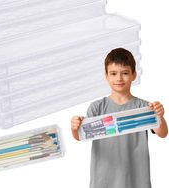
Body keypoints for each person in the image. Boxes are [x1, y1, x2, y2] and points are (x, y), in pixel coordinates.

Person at [71, 48, 168, 188]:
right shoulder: (97, 107)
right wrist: (75, 128)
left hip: (137, 179)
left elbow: (163, 133)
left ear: (134, 75)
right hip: (103, 179)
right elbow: (80, 136)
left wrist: (160, 116)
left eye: (125, 73)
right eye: (113, 73)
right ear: (106, 76)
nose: (119, 78)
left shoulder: (145, 107)